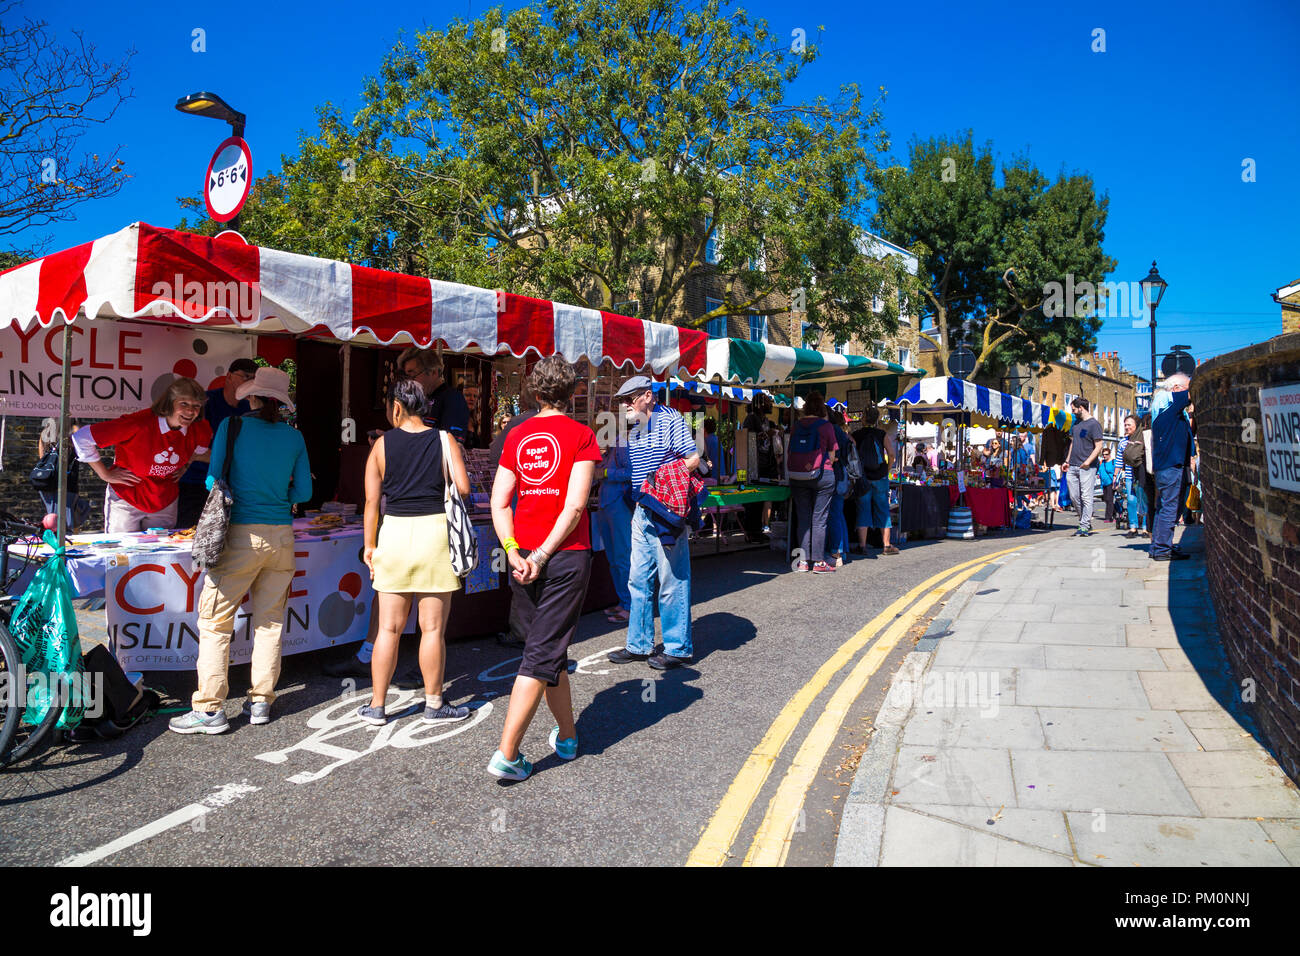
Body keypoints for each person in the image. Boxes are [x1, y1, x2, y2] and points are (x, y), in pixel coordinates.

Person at [168, 367, 312, 733]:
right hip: (280, 535)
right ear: (279, 403)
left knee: (215, 622)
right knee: (270, 622)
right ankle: (261, 701)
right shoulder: (293, 438)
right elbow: (304, 494)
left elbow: (212, 479)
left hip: (239, 535)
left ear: (252, 395)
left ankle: (210, 708)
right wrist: (279, 497)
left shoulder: (231, 428)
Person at [486, 356, 601, 781]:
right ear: (571, 395)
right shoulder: (581, 435)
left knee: (551, 649)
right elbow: (574, 508)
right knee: (540, 655)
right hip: (564, 556)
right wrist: (540, 555)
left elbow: (500, 503)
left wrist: (516, 550)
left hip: (525, 556)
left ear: (534, 393)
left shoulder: (516, 434)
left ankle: (567, 736)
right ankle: (507, 754)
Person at [358, 378, 473, 725]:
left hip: (393, 534)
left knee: (388, 629)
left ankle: (377, 706)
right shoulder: (444, 439)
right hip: (434, 535)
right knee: (432, 629)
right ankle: (434, 703)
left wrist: (369, 545)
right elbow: (464, 488)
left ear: (396, 406)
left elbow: (371, 502)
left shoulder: (381, 445)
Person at [607, 375, 700, 669]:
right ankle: (639, 644)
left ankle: (678, 648)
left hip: (665, 510)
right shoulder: (635, 429)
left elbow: (693, 459)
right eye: (621, 402)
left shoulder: (670, 419)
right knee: (638, 579)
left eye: (628, 399)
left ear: (648, 396)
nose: (624, 406)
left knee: (672, 580)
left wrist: (660, 477)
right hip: (642, 510)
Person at [72, 378, 214, 533]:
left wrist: (185, 464)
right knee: (123, 552)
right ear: (170, 402)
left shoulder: (200, 430)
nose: (190, 411)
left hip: (164, 501)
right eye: (184, 404)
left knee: (161, 552)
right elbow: (81, 437)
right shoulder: (139, 423)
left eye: (196, 406)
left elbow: (198, 451)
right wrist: (104, 474)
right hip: (127, 499)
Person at [177, 358, 257, 528]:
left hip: (229, 486)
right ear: (228, 376)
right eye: (245, 376)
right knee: (187, 536)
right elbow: (192, 450)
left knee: (223, 540)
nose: (250, 382)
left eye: (254, 378)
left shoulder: (250, 408)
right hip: (194, 483)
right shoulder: (204, 403)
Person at [785, 392, 838, 573]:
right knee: (819, 518)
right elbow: (832, 454)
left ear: (806, 406)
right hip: (822, 475)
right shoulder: (826, 426)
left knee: (803, 518)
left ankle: (802, 562)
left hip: (797, 476)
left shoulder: (796, 426)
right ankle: (818, 561)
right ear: (822, 407)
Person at [1149, 373, 1195, 561]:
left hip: (1167, 465)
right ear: (1176, 389)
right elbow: (1193, 393)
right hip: (1171, 466)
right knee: (1170, 508)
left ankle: (1159, 546)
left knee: (1164, 508)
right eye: (1184, 388)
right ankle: (1162, 549)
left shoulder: (1165, 407)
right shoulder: (1167, 401)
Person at [594, 432, 634, 624]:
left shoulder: (622, 445)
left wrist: (606, 473)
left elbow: (632, 472)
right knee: (613, 557)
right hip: (605, 503)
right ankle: (623, 600)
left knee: (622, 556)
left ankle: (630, 604)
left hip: (618, 505)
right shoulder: (609, 449)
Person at [396, 347, 470, 444]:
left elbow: (450, 445)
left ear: (433, 372)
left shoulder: (453, 399)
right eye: (407, 377)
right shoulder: (419, 400)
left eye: (413, 375)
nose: (409, 382)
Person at [852, 404, 897, 556]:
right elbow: (891, 454)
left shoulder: (856, 435)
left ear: (863, 419)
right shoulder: (881, 434)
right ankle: (886, 545)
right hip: (880, 476)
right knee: (883, 509)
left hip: (863, 477)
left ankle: (862, 546)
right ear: (877, 419)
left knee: (863, 510)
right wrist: (887, 469)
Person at [35, 417, 88, 530]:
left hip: (47, 480)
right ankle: (65, 541)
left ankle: (55, 539)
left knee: (53, 517)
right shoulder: (73, 431)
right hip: (67, 481)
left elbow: (42, 458)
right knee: (68, 518)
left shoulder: (47, 431)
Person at [1065, 397, 1103, 536]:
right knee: (1074, 496)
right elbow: (1072, 444)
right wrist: (1067, 461)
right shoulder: (1075, 424)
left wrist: (1088, 462)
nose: (1073, 412)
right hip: (1073, 465)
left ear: (1081, 408)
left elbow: (1099, 446)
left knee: (1086, 496)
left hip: (1088, 467)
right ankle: (1084, 521)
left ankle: (1084, 525)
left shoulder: (1094, 424)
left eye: (1074, 409)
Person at [826, 409, 853, 567]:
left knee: (834, 514)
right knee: (838, 513)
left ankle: (838, 551)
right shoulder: (842, 433)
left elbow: (834, 456)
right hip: (841, 476)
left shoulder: (832, 431)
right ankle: (843, 550)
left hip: (836, 476)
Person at [1098, 445, 1117, 523]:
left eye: (1106, 454)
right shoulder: (1102, 462)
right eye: (1103, 454)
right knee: (1106, 499)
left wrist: (1116, 483)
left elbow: (1117, 472)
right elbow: (1099, 471)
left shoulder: (1113, 462)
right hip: (1104, 484)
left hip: (1111, 483)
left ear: (1109, 454)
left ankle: (1108, 517)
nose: (1104, 456)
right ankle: (1115, 513)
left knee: (1109, 500)